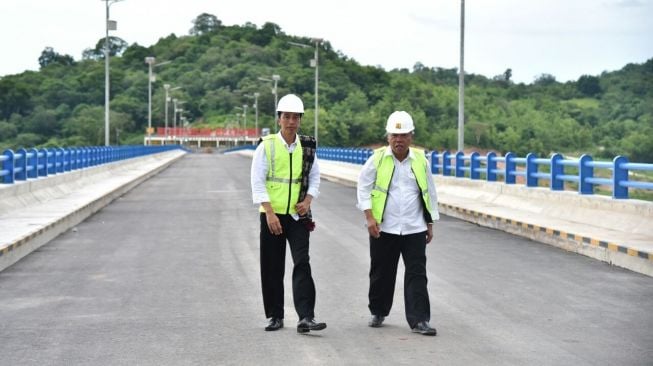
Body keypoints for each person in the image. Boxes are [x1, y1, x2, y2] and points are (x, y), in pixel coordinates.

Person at [356, 110, 439, 336]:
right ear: (388, 137)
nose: (399, 140)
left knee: (417, 274)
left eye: (403, 135)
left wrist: (430, 222)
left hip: (415, 227)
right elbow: (363, 186)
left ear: (411, 136)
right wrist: (369, 217)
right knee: (381, 272)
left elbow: (429, 191)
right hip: (385, 227)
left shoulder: (421, 160)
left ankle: (420, 319)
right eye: (394, 135)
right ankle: (378, 311)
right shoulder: (377, 159)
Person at [250, 93, 327, 334]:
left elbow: (315, 177)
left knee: (302, 262)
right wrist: (270, 213)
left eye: (295, 117)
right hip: (272, 215)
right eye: (287, 117)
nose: (291, 121)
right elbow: (257, 181)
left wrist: (308, 200)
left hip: (297, 216)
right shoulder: (267, 145)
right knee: (272, 266)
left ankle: (306, 317)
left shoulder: (307, 146)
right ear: (279, 119)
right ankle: (275, 315)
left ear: (300, 120)